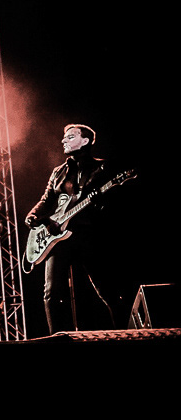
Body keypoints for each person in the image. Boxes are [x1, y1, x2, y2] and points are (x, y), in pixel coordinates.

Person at [24, 123, 124, 334]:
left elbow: (114, 204)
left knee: (107, 289)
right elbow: (46, 200)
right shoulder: (59, 172)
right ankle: (57, 337)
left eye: (70, 137)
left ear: (85, 141)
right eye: (65, 137)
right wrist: (33, 215)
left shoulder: (102, 168)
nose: (64, 140)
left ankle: (126, 332)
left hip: (88, 234)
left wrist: (100, 202)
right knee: (51, 292)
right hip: (58, 237)